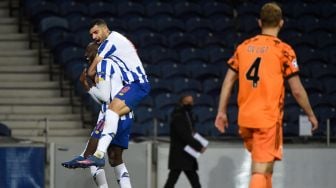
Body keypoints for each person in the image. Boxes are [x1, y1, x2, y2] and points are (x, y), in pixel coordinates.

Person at [214, 3, 318, 188]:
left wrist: (221, 111)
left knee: (265, 167)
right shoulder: (284, 50)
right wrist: (310, 113)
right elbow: (296, 90)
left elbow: (228, 80)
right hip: (267, 119)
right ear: (281, 23)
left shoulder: (243, 47)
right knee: (260, 170)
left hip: (245, 118)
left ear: (259, 22)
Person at [77, 19, 151, 168]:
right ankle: (94, 156)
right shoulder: (112, 46)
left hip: (137, 83)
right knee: (115, 159)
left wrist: (89, 81)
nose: (94, 37)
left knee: (111, 110)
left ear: (105, 29)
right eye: (91, 34)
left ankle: (97, 155)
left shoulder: (110, 43)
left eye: (96, 32)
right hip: (131, 86)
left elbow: (92, 72)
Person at [62, 42, 133, 188]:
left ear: (98, 51)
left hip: (113, 113)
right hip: (122, 112)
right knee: (115, 159)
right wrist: (88, 86)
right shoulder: (109, 64)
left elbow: (105, 97)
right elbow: (103, 99)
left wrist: (87, 86)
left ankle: (83, 156)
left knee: (92, 157)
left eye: (88, 51)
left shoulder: (103, 64)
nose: (85, 55)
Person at [164, 94, 205, 188]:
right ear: (182, 103)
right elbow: (185, 135)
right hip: (181, 154)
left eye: (191, 102)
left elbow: (188, 133)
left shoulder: (186, 115)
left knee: (175, 180)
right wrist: (199, 146)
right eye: (188, 102)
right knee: (176, 180)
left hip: (185, 154)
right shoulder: (179, 116)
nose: (191, 104)